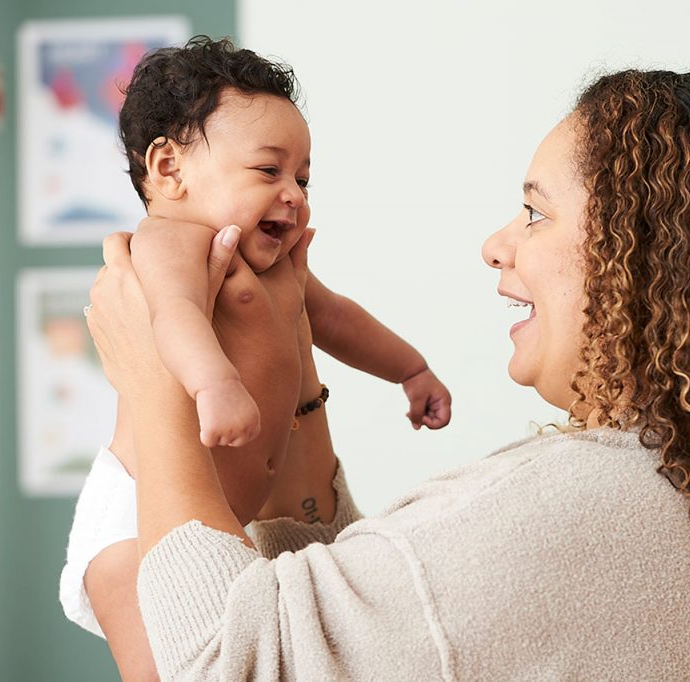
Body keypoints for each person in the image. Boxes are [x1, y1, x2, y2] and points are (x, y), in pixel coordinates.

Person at [85, 65, 690, 680]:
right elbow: (361, 637)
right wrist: (291, 370)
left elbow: (220, 665)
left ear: (653, 260)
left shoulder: (575, 507)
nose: (498, 242)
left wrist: (154, 387)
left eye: (536, 210)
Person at [59, 37, 450, 680]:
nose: (293, 194)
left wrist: (409, 369)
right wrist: (213, 382)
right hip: (133, 516)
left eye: (302, 177)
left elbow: (332, 318)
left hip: (223, 516)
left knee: (235, 645)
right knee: (165, 669)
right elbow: (174, 315)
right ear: (168, 169)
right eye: (268, 172)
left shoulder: (273, 265)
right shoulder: (171, 241)